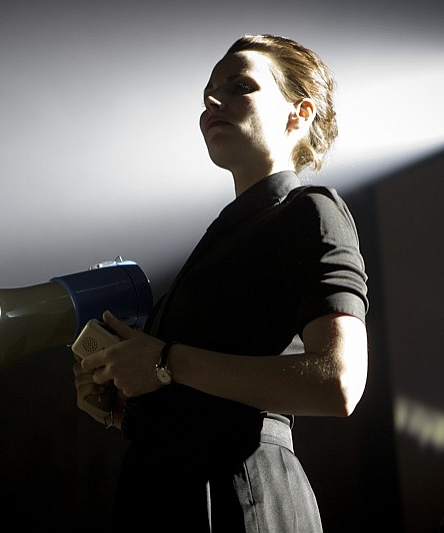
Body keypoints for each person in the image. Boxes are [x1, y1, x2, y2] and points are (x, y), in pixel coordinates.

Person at [73, 33, 369, 532]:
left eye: (240, 86)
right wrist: (127, 403)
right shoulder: (223, 239)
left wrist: (163, 362)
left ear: (298, 114)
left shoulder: (310, 211)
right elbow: (197, 392)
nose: (213, 100)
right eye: (209, 91)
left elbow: (339, 382)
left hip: (241, 498)